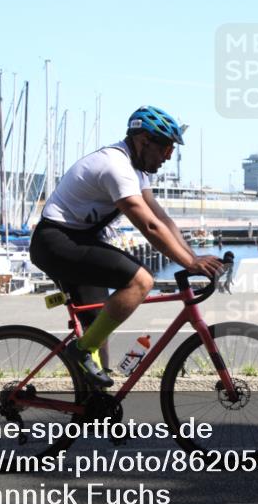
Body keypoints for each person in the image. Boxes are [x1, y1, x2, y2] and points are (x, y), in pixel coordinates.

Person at [29, 106, 223, 387]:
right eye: (166, 147)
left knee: (97, 327)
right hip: (56, 242)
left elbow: (162, 218)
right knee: (141, 281)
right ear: (144, 140)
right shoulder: (115, 166)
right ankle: (80, 351)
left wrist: (194, 257)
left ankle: (95, 406)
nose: (169, 156)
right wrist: (190, 264)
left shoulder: (137, 170)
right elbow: (149, 227)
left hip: (79, 240)